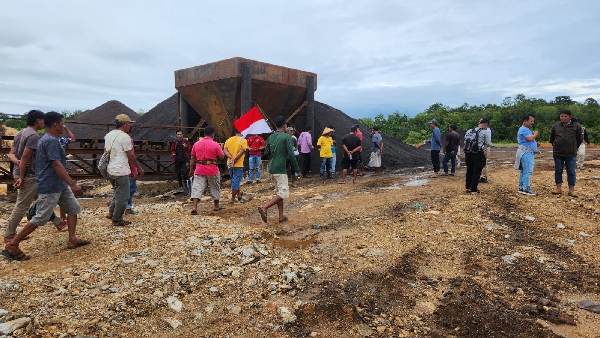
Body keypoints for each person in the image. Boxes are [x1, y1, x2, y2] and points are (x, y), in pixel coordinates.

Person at [2, 112, 90, 261]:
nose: (63, 126)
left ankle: (72, 239)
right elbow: (56, 164)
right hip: (50, 185)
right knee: (41, 217)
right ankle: (12, 244)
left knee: (73, 208)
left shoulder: (51, 139)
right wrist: (72, 183)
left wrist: (67, 183)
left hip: (59, 184)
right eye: (62, 123)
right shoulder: (50, 141)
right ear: (55, 124)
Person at [4, 110, 67, 244]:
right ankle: (9, 235)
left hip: (22, 173)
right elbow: (26, 157)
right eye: (43, 120)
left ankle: (58, 222)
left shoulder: (20, 133)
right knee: (22, 205)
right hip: (29, 175)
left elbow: (12, 154)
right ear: (38, 120)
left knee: (42, 199)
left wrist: (17, 162)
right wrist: (22, 175)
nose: (44, 123)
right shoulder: (33, 136)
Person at [104, 114, 145, 226]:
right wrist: (139, 168)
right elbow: (130, 155)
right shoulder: (125, 137)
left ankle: (111, 212)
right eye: (129, 124)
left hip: (110, 169)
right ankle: (117, 219)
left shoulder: (108, 135)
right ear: (125, 124)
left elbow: (105, 152)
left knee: (118, 193)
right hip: (121, 170)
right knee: (124, 197)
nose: (130, 126)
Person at [257, 116, 300, 223]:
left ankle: (281, 216)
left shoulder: (271, 137)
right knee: (284, 193)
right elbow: (291, 154)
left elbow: (266, 153)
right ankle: (264, 207)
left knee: (279, 192)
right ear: (285, 126)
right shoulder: (286, 137)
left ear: (276, 126)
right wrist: (297, 169)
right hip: (280, 168)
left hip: (271, 167)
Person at [189, 126, 225, 214]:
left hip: (199, 168)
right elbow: (221, 157)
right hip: (212, 169)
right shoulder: (215, 144)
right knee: (215, 187)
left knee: (197, 187)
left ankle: (194, 207)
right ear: (213, 134)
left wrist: (191, 170)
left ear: (204, 134)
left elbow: (193, 158)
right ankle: (216, 206)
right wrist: (222, 148)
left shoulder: (196, 144)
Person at [550, 110, 583, 197]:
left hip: (571, 153)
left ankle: (571, 190)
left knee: (571, 171)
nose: (563, 118)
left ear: (570, 117)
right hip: (558, 153)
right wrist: (556, 145)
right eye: (561, 116)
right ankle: (558, 189)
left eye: (565, 116)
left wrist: (574, 147)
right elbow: (552, 138)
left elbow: (579, 138)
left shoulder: (576, 126)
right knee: (558, 170)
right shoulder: (556, 126)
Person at [465, 118, 491, 194]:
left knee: (469, 170)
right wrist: (485, 150)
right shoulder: (484, 132)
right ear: (486, 124)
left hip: (468, 153)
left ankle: (468, 187)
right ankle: (474, 189)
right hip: (478, 153)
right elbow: (488, 143)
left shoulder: (469, 130)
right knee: (476, 171)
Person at [515, 114, 539, 196]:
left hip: (526, 151)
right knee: (527, 171)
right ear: (525, 121)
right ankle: (526, 188)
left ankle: (521, 187)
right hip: (526, 153)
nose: (532, 123)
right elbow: (530, 138)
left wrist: (535, 144)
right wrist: (535, 134)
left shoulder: (526, 129)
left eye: (533, 121)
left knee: (524, 171)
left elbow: (529, 140)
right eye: (531, 121)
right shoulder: (524, 129)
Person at [223, 130, 248, 204]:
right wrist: (234, 159)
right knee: (236, 181)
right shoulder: (243, 140)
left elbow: (225, 151)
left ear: (235, 132)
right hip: (238, 164)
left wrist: (231, 158)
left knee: (234, 180)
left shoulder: (228, 140)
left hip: (229, 164)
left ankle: (239, 195)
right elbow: (241, 152)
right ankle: (232, 199)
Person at [125, 128, 139, 214]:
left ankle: (114, 207)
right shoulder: (129, 140)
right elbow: (131, 156)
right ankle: (128, 208)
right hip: (128, 169)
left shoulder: (113, 139)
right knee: (131, 188)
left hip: (117, 169)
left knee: (121, 189)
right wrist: (135, 171)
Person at [480, 118, 492, 183]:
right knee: (482, 162)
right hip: (483, 148)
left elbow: (486, 142)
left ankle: (484, 177)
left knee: (484, 163)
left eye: (480, 122)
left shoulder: (487, 130)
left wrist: (485, 150)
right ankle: (482, 176)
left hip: (485, 148)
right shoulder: (485, 130)